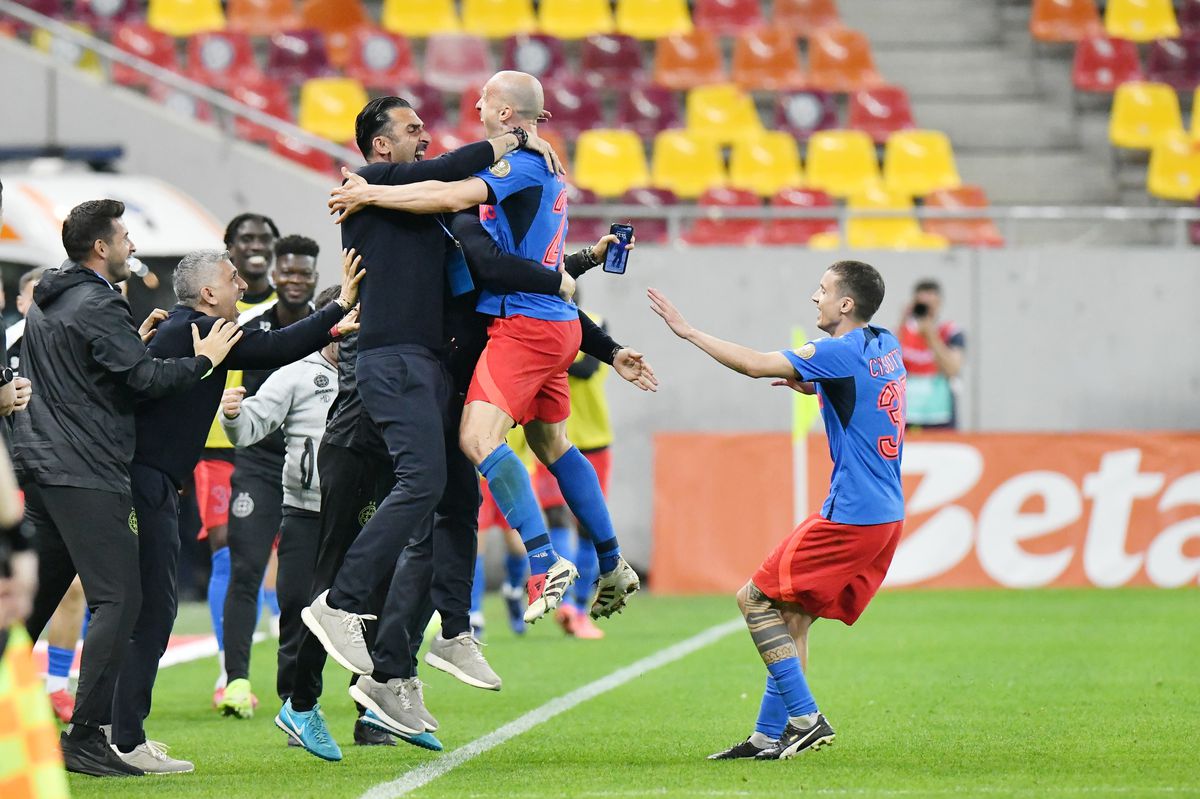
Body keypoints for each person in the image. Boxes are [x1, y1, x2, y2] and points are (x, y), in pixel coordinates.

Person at [323, 71, 641, 626]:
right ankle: (613, 562)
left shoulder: (519, 164)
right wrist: (605, 334)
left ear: (506, 112)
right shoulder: (532, 162)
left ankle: (543, 562)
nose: (475, 107)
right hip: (554, 327)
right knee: (553, 444)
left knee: (476, 439)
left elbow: (450, 195)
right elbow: (524, 254)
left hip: (525, 326)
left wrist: (370, 192)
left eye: (484, 100)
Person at [296, 94, 558, 740]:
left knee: (457, 496)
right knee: (422, 483)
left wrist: (568, 270)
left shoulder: (427, 206)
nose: (426, 136)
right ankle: (339, 608)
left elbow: (486, 263)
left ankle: (450, 633)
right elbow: (455, 169)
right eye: (412, 129)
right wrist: (515, 141)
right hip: (393, 360)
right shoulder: (369, 183)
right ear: (381, 145)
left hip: (432, 365)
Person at [106, 248, 360, 774]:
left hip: (150, 481)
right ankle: (121, 738)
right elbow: (281, 346)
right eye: (232, 278)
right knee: (147, 612)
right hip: (144, 482)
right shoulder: (199, 332)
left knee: (136, 608)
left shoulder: (186, 330)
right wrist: (339, 309)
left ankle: (114, 732)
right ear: (207, 293)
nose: (243, 285)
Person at [14, 200, 243, 777]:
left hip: (42, 466)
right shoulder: (97, 302)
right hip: (87, 469)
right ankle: (87, 736)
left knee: (32, 605)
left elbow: (89, 372)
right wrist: (204, 361)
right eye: (124, 238)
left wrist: (130, 343)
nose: (132, 246)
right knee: (121, 598)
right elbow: (144, 381)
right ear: (101, 247)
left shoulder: (50, 299)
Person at [647, 260, 906, 761]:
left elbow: (754, 364)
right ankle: (768, 736)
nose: (815, 297)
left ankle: (807, 719)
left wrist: (688, 332)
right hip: (885, 514)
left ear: (846, 304)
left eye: (823, 289)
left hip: (852, 514)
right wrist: (817, 384)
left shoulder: (838, 351)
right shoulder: (884, 343)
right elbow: (864, 392)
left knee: (753, 600)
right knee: (792, 617)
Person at [219, 284, 341, 709]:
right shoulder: (296, 372)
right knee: (295, 609)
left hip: (358, 515)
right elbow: (250, 426)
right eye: (341, 322)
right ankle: (296, 705)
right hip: (303, 510)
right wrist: (233, 415)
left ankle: (372, 711)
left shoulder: (378, 372)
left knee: (367, 611)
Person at [196, 213, 282, 703]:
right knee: (226, 551)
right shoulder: (212, 303)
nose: (255, 246)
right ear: (229, 245)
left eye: (263, 239)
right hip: (217, 445)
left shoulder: (287, 304)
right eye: (245, 238)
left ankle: (282, 649)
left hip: (272, 444)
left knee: (277, 554)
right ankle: (226, 671)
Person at [897, 279, 964, 430]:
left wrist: (931, 336)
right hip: (908, 413)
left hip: (940, 413)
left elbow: (953, 369)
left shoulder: (950, 332)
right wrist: (902, 321)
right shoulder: (903, 331)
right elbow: (890, 364)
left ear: (939, 303)